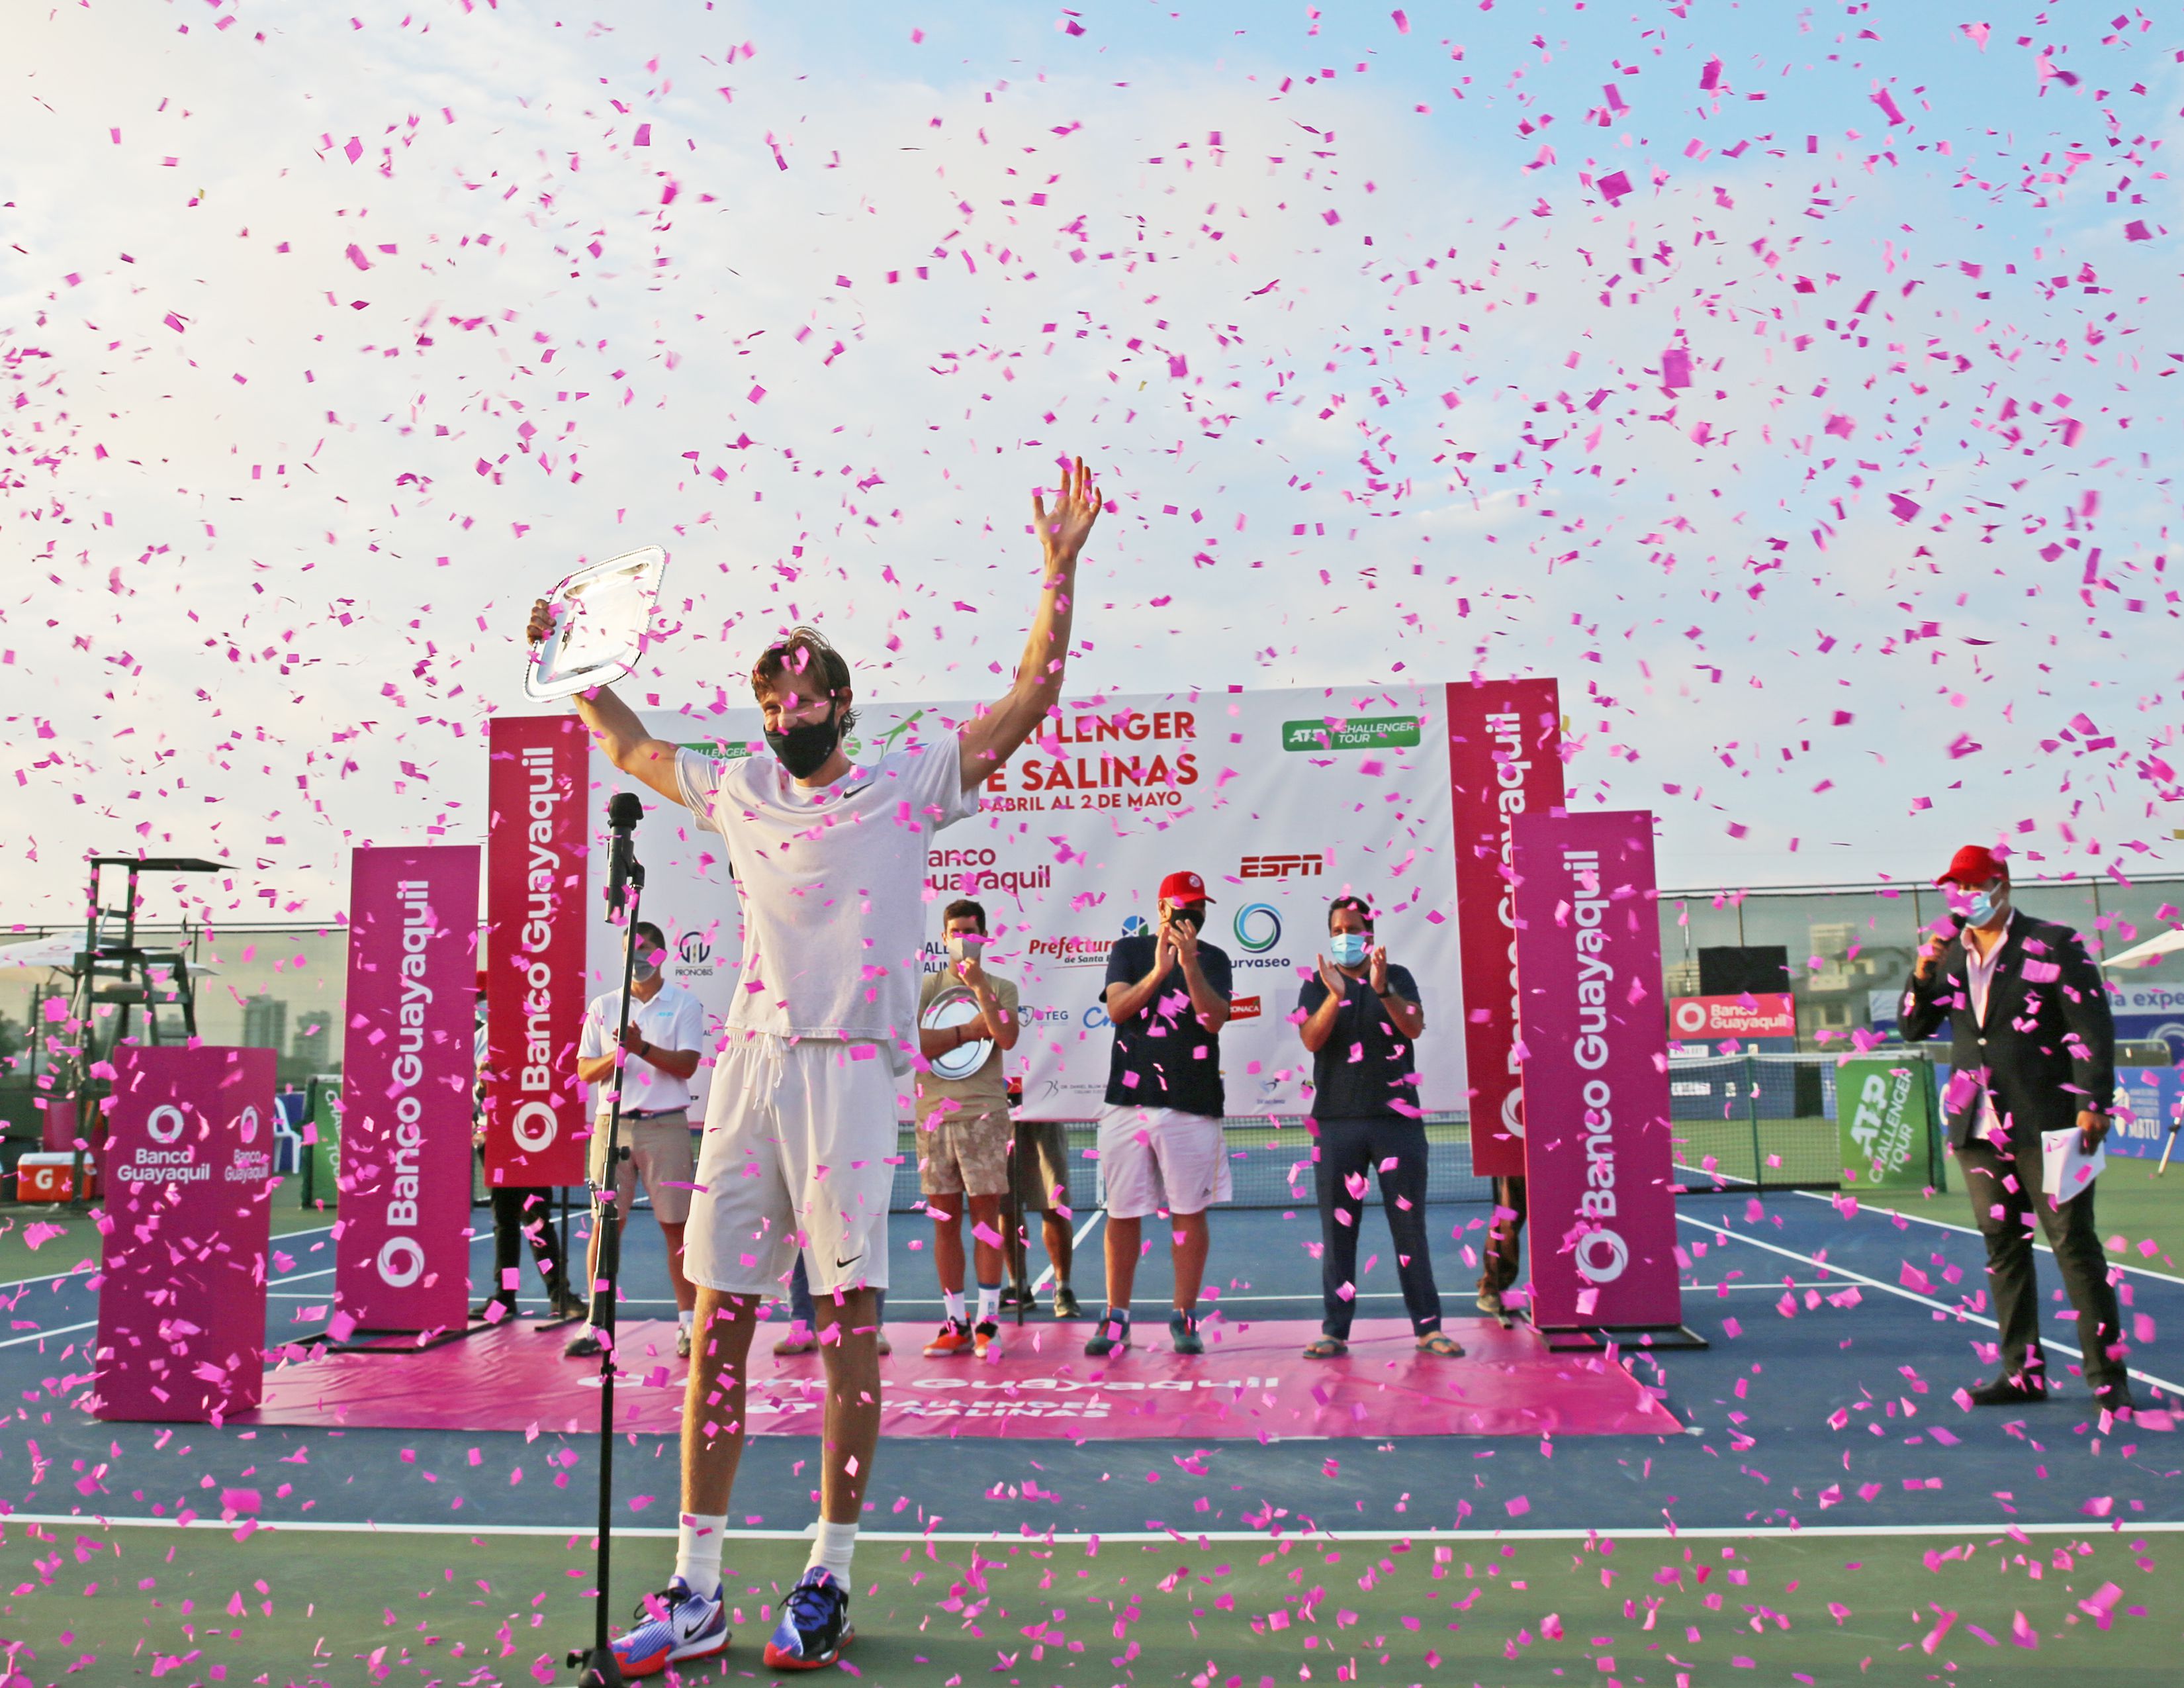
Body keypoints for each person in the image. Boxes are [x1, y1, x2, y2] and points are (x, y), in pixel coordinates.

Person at [527, 457, 1099, 1677]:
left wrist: (1058, 575)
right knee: (718, 1332)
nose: (786, 709)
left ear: (843, 700)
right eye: (768, 696)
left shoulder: (906, 784)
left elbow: (1025, 704)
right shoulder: (736, 786)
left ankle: (829, 1574)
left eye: (803, 691)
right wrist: (574, 660)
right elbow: (624, 742)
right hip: (747, 1072)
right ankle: (696, 1588)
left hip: (849, 1081)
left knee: (846, 1328)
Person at [1899, 843, 2131, 1416]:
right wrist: (1924, 971)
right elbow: (1914, 1025)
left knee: (2074, 1245)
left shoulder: (2052, 943)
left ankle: (2108, 1379)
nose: (1964, 898)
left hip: (2050, 1119)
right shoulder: (1951, 955)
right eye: (1956, 888)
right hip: (1976, 1121)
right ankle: (2021, 1372)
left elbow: (2090, 1023)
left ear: (2001, 885)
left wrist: (2093, 1100)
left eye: (1974, 886)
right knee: (2003, 1247)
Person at [1295, 896, 1459, 1360]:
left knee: (1409, 1229)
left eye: (1353, 928)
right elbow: (1311, 1039)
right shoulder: (1317, 983)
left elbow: (1414, 1028)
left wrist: (1383, 990)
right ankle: (1335, 1330)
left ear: (1369, 932)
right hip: (1336, 1124)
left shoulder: (1397, 977)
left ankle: (1429, 1328)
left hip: (1397, 1124)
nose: (1345, 936)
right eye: (1338, 928)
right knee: (1338, 1233)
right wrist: (1334, 997)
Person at [1089, 869, 1233, 1358]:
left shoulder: (1215, 960)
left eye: (1199, 909)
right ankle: (1116, 1318)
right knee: (1123, 1212)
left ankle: (1184, 1315)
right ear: (1162, 909)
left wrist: (1190, 966)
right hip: (1128, 1102)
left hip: (1191, 1105)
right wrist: (1159, 969)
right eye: (1183, 908)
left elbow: (1213, 1018)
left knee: (1189, 1212)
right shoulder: (1128, 951)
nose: (1191, 916)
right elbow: (1117, 1010)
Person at [565, 921, 706, 1364]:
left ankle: (688, 1325)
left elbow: (686, 1066)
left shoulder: (684, 1003)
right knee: (606, 1227)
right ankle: (596, 1323)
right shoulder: (605, 1006)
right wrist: (619, 1054)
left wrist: (641, 1049)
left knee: (677, 1228)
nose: (638, 959)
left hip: (665, 1127)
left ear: (663, 954)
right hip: (612, 1128)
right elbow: (585, 1072)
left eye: (645, 950)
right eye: (631, 951)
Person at [913, 898, 1022, 1358]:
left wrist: (979, 987)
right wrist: (964, 1033)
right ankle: (955, 1321)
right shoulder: (922, 989)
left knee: (985, 1221)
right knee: (944, 1224)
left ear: (984, 936)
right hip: (934, 1118)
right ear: (943, 938)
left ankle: (988, 1322)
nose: (964, 938)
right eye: (956, 931)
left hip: (985, 1116)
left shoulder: (1001, 986)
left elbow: (1007, 1037)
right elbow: (915, 1048)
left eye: (972, 931)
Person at [472, 968, 577, 1323]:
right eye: (480, 1000)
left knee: (537, 1217)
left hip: (530, 1133)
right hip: (494, 1136)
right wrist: (482, 1086)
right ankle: (505, 1295)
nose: (483, 1005)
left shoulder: (532, 1033)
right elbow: (475, 1092)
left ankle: (559, 1293)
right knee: (504, 1221)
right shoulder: (480, 1037)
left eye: (486, 998)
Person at [1001, 1094, 1080, 1319]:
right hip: (1000, 1113)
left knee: (1054, 1204)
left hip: (1045, 1106)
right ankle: (1018, 1288)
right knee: (1006, 1207)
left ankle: (1063, 1288)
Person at [1475, 1177, 1526, 1323]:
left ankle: (1561, 1291)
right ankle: (1493, 1286)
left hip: (1561, 1159)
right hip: (1518, 1159)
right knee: (1507, 1213)